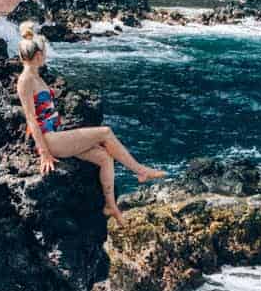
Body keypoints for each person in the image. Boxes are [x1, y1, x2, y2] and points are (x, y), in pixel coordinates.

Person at [16, 22, 163, 225]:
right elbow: (31, 119)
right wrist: (44, 153)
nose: (46, 56)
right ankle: (140, 171)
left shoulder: (36, 76)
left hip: (56, 134)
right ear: (38, 55)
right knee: (105, 132)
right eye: (45, 52)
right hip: (49, 140)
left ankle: (111, 206)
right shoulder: (25, 80)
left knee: (104, 157)